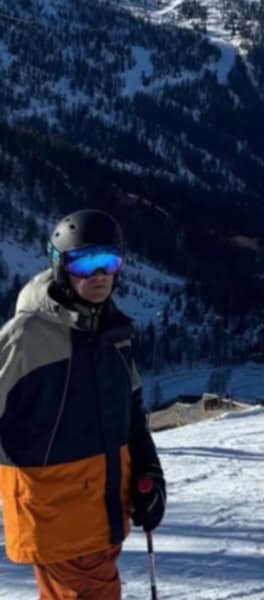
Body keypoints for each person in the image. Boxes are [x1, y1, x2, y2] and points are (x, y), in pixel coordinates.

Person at [0, 210, 166, 599]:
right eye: (84, 262)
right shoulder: (27, 336)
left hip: (103, 510)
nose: (99, 275)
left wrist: (149, 475)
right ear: (60, 266)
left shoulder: (112, 333)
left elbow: (133, 417)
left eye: (108, 261)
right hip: (56, 517)